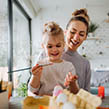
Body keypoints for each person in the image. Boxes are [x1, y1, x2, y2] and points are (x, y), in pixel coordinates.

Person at [36, 8, 91, 92]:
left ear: (85, 37)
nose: (76, 38)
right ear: (65, 32)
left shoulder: (85, 64)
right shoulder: (46, 54)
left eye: (81, 34)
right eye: (72, 32)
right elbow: (33, 88)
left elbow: (86, 93)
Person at [28, 22, 79, 96]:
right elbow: (32, 90)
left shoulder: (69, 66)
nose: (54, 50)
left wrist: (72, 83)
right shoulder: (40, 65)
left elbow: (75, 93)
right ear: (43, 46)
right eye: (50, 46)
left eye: (58, 46)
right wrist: (36, 76)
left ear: (63, 45)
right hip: (44, 103)